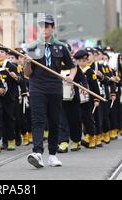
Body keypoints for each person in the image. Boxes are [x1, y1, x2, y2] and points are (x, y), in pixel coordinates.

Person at [24, 14, 77, 168]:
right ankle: (37, 153)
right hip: (37, 88)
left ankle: (52, 155)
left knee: (54, 122)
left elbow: (72, 66)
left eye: (47, 26)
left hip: (55, 88)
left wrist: (70, 77)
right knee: (38, 120)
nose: (44, 29)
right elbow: (27, 74)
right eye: (42, 26)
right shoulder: (33, 47)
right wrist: (28, 63)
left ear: (53, 28)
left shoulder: (61, 46)